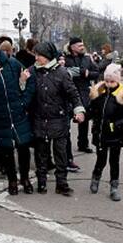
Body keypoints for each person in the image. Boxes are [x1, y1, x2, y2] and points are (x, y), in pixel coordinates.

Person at [31, 41, 85, 196]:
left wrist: (79, 111)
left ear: (47, 56)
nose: (36, 58)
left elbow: (74, 94)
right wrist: (22, 81)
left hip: (59, 120)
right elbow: (26, 92)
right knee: (41, 155)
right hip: (40, 120)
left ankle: (62, 184)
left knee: (60, 154)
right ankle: (41, 183)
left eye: (38, 55)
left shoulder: (62, 73)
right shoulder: (32, 71)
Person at [0, 42, 36, 195]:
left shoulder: (13, 64)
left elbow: (29, 81)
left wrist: (24, 103)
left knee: (23, 148)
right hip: (1, 116)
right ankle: (12, 180)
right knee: (7, 150)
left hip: (18, 112)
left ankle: (25, 178)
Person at [88, 64, 123, 201]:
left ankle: (114, 186)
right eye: (107, 81)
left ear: (117, 80)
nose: (109, 84)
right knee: (101, 160)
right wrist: (85, 115)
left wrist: (115, 125)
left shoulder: (122, 95)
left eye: (112, 81)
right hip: (101, 134)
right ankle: (95, 178)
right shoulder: (99, 93)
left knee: (114, 161)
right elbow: (92, 110)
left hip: (115, 135)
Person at [64, 36, 99, 153]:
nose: (82, 47)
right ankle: (64, 146)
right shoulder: (65, 59)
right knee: (66, 121)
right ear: (72, 47)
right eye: (79, 46)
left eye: (82, 45)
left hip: (84, 94)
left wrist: (87, 73)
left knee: (84, 121)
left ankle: (83, 144)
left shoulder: (87, 59)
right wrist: (77, 72)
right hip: (68, 94)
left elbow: (96, 73)